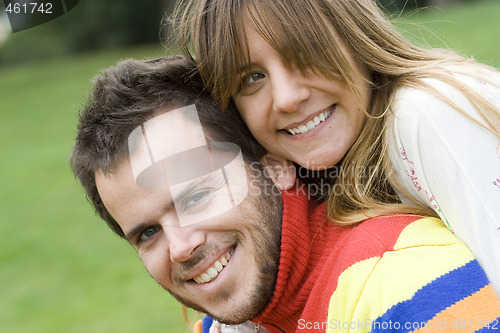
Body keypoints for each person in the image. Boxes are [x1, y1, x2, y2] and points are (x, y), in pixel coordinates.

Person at [70, 56, 500, 333]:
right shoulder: (223, 324)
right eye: (147, 233)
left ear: (273, 167)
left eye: (197, 197)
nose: (181, 247)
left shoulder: (403, 286)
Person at [171, 0, 500, 295]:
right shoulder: (305, 177)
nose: (287, 98)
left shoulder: (428, 114)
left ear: (354, 35)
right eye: (252, 78)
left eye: (303, 52)